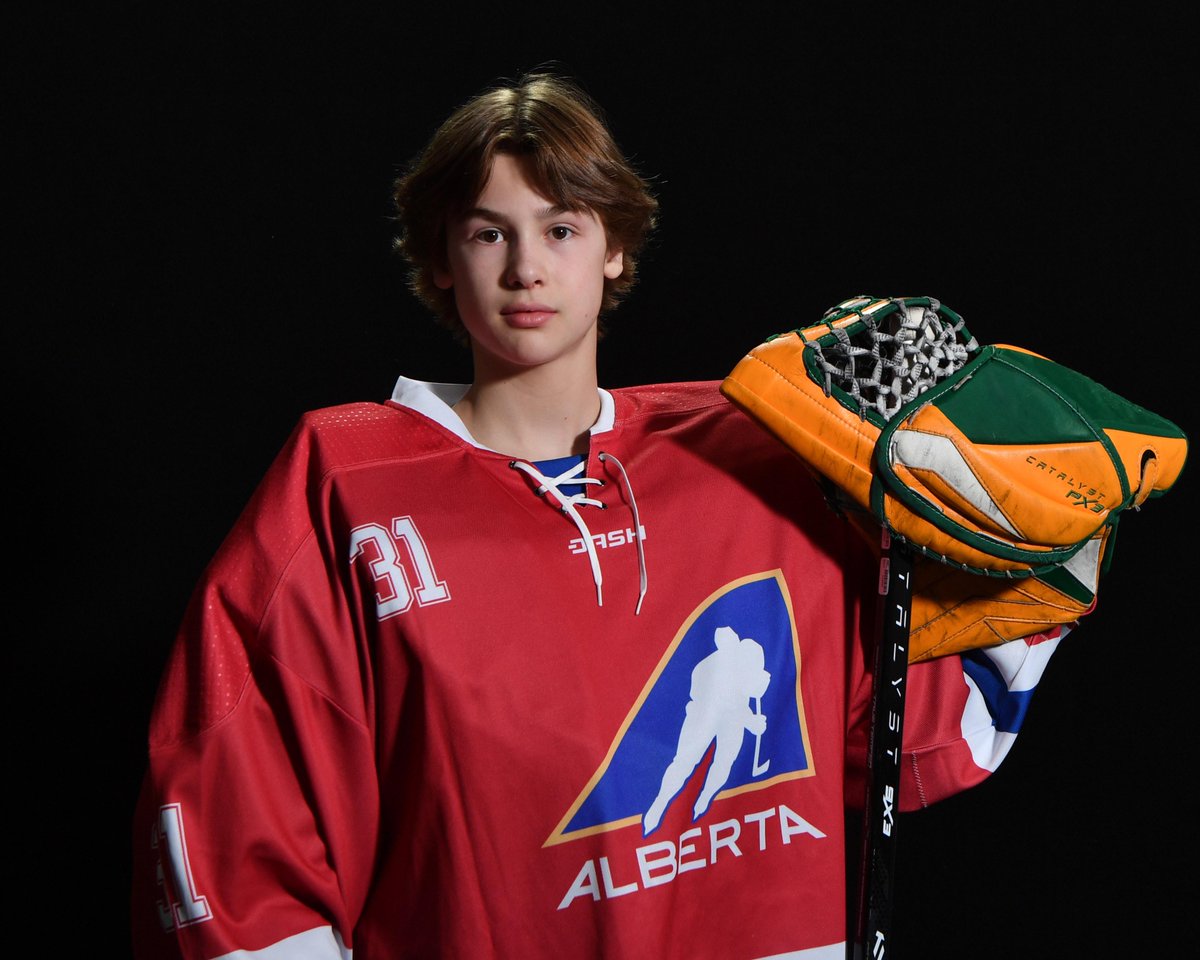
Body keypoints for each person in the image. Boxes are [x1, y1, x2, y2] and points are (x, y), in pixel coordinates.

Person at [132, 72, 1065, 960]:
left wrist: (1043, 557)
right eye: (488, 233)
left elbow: (889, 726)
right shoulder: (342, 487)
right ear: (440, 258)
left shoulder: (747, 453)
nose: (528, 267)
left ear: (615, 245)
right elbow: (238, 811)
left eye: (562, 228)